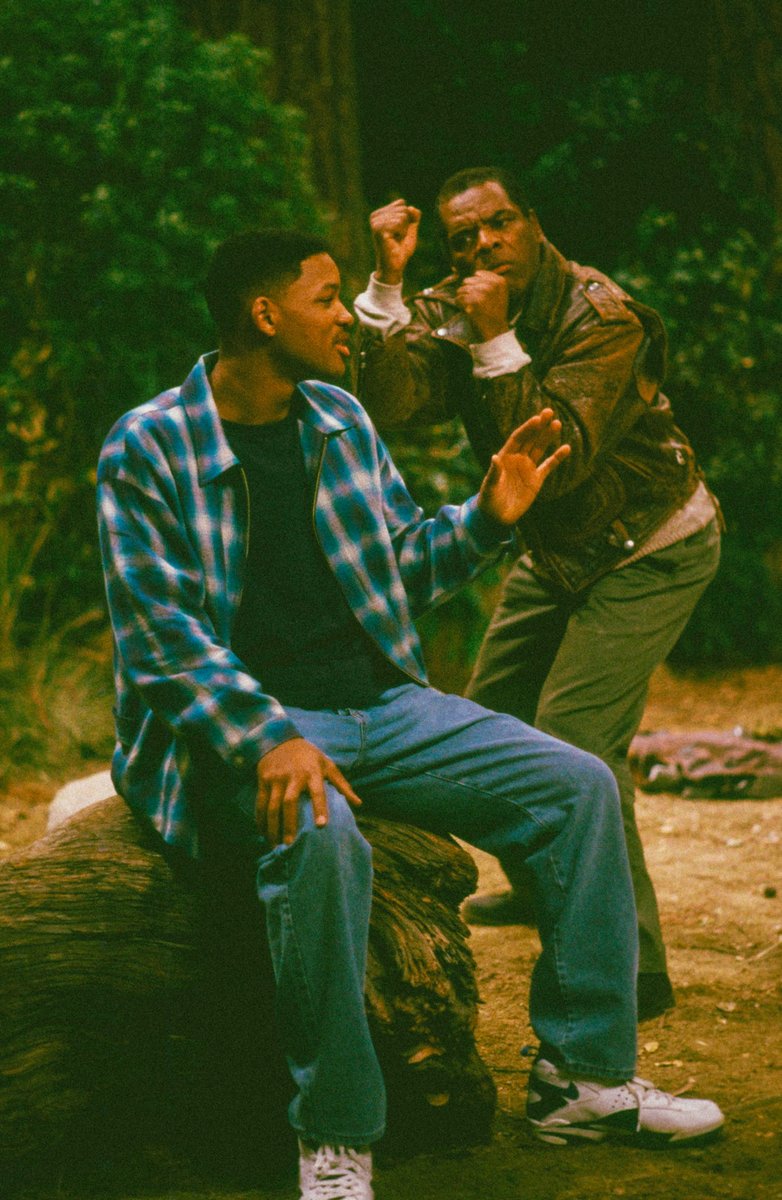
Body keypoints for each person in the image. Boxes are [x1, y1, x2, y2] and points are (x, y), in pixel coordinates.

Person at [97, 229, 723, 1200]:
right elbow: (160, 634)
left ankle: (583, 1079)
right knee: (324, 838)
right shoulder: (148, 445)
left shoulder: (339, 420)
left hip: (379, 705)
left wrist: (485, 519)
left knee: (577, 785)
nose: (345, 315)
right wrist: (270, 736)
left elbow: (390, 571)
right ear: (264, 315)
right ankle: (335, 1138)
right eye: (325, 297)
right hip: (247, 729)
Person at [354, 167, 722, 1024]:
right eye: (463, 237)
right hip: (557, 553)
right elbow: (390, 399)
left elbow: (556, 470)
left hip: (649, 545)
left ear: (533, 223)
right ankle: (540, 883)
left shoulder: (602, 315)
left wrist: (491, 340)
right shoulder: (458, 299)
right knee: (494, 715)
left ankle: (633, 968)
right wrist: (387, 284)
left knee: (579, 745)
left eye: (500, 224)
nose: (484, 245)